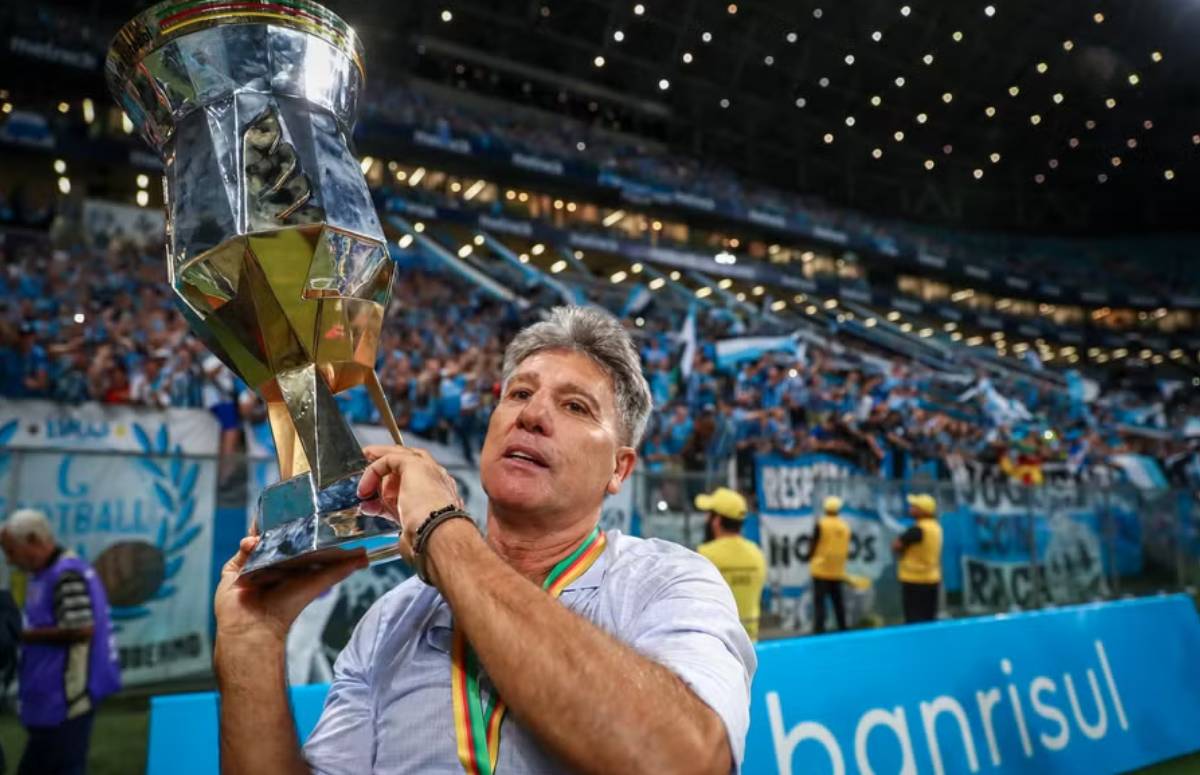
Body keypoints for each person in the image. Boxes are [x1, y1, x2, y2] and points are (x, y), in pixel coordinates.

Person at [213, 306, 755, 774]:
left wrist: (441, 528)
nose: (533, 414)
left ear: (620, 469)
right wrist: (251, 645)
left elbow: (685, 761)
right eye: (518, 392)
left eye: (575, 407)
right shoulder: (388, 621)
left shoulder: (666, 583)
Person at [0, 508, 121, 775]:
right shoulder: (48, 573)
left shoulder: (66, 574)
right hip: (51, 698)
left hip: (67, 701)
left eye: (11, 550)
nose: (9, 560)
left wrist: (19, 634)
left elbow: (82, 629)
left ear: (33, 540)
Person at [695, 486, 766, 642]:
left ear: (717, 521)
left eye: (709, 515)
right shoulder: (757, 554)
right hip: (750, 645)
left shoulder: (704, 554)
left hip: (716, 645)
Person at [892, 493, 943, 624]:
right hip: (932, 579)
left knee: (914, 619)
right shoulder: (936, 527)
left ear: (923, 510)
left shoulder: (918, 529)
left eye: (914, 506)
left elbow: (896, 545)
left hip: (914, 579)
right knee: (929, 618)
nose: (911, 509)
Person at [806, 496, 851, 634]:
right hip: (837, 570)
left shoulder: (821, 524)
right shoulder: (845, 526)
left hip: (821, 570)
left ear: (825, 509)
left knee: (820, 605)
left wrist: (809, 555)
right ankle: (843, 629)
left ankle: (819, 631)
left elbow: (814, 543)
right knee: (838, 603)